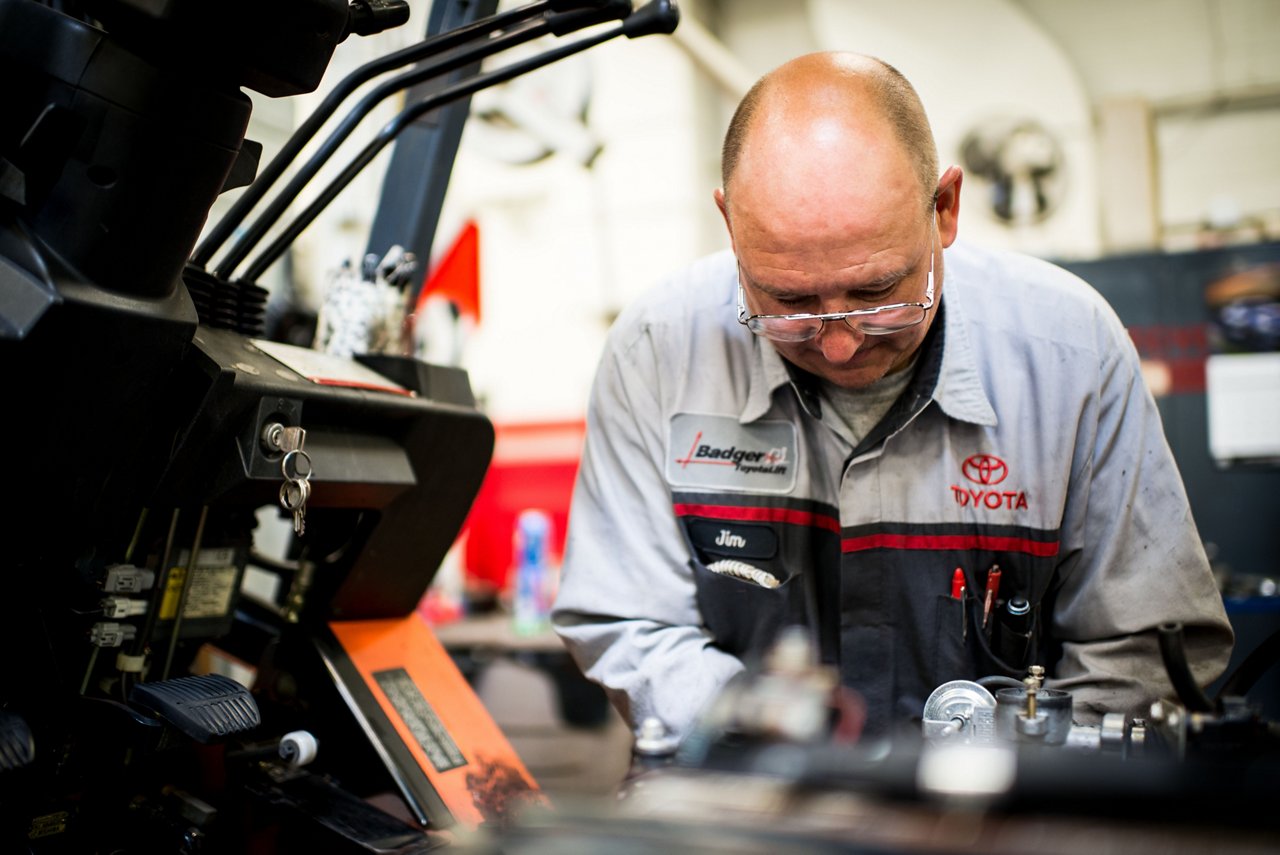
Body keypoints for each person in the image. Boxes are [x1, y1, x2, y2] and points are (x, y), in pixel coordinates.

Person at [551, 51, 1234, 744]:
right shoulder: (657, 351)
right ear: (730, 224)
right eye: (788, 302)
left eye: (879, 294)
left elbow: (1145, 652)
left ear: (944, 209)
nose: (839, 344)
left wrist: (1010, 781)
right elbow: (628, 621)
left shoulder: (1071, 355)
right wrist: (781, 747)